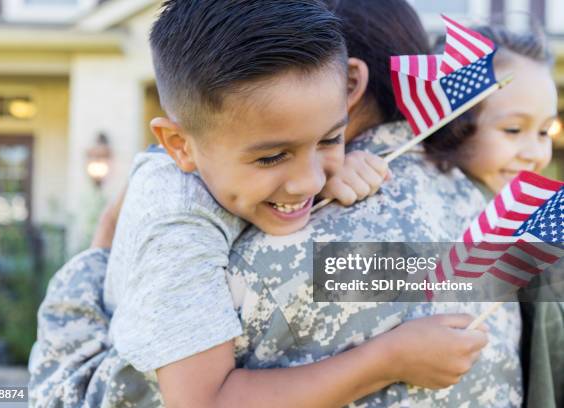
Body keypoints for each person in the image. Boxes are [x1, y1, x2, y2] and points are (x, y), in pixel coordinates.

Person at [29, 1, 505, 406]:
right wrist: (386, 360)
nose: (307, 181)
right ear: (179, 145)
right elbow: (204, 400)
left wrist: (334, 168)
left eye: (330, 138)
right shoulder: (177, 227)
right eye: (273, 156)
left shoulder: (257, 162)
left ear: (349, 91)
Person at [424, 26, 563, 408]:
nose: (534, 152)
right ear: (453, 124)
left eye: (544, 131)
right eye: (514, 129)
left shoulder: (532, 221)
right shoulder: (435, 210)